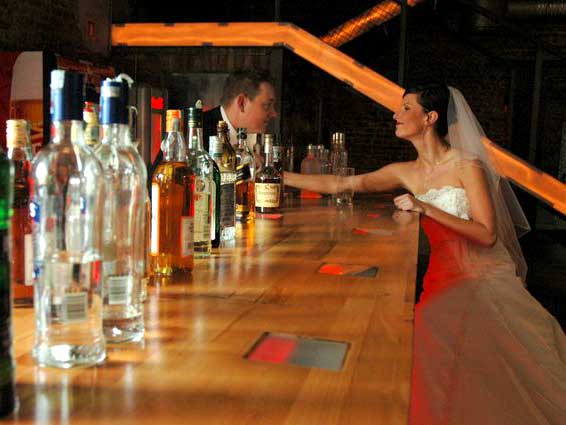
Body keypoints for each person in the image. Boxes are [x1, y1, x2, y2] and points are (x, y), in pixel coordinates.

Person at [284, 83, 566, 424]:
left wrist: (426, 208)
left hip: (480, 278)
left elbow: (487, 234)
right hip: (440, 278)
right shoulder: (404, 172)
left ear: (430, 117)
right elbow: (343, 184)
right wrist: (276, 175)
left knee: (467, 361)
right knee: (435, 358)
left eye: (406, 108)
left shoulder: (467, 165)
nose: (395, 115)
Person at [149, 69, 278, 178]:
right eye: (267, 105)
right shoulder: (194, 132)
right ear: (242, 103)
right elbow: (156, 184)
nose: (274, 113)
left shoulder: (242, 139)